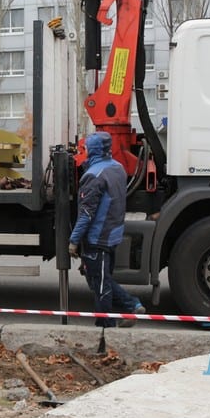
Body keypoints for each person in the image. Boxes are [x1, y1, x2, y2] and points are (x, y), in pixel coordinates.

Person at [69, 131, 145, 354]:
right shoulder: (118, 168)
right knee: (100, 280)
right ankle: (131, 307)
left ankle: (106, 332)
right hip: (113, 235)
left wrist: (74, 240)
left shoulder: (93, 175)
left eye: (85, 149)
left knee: (100, 285)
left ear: (92, 150)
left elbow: (86, 214)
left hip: (97, 238)